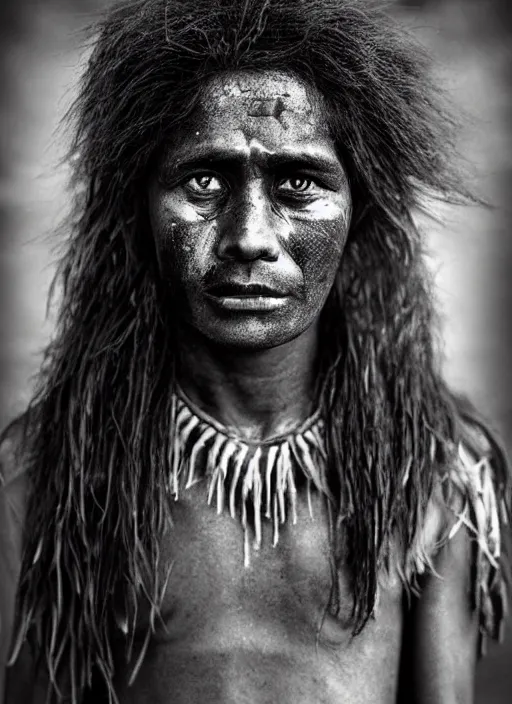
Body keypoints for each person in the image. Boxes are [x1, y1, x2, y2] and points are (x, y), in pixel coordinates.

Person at [0, 0, 510, 702]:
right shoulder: (47, 471)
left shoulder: (430, 478)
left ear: (361, 208)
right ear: (139, 207)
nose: (248, 237)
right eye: (205, 181)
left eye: (298, 184)